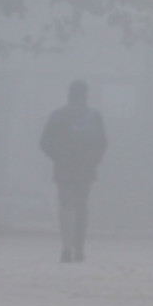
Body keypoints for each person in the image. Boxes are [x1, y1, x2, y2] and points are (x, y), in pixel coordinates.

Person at [40, 80, 108, 263]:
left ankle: (66, 248)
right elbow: (102, 143)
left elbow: (45, 142)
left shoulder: (57, 115)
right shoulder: (94, 116)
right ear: (86, 95)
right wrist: (93, 160)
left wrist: (59, 157)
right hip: (85, 169)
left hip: (64, 169)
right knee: (81, 208)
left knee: (66, 207)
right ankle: (79, 249)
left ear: (69, 94)